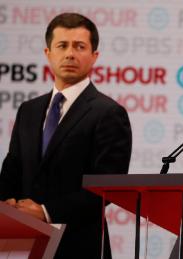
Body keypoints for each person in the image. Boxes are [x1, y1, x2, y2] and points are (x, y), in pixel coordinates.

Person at [0, 13, 132, 259]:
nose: (70, 53)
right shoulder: (28, 110)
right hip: (22, 245)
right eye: (62, 45)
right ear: (48, 52)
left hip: (79, 246)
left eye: (79, 46)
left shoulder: (109, 113)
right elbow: (13, 167)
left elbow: (107, 188)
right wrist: (6, 204)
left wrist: (45, 212)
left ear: (95, 56)